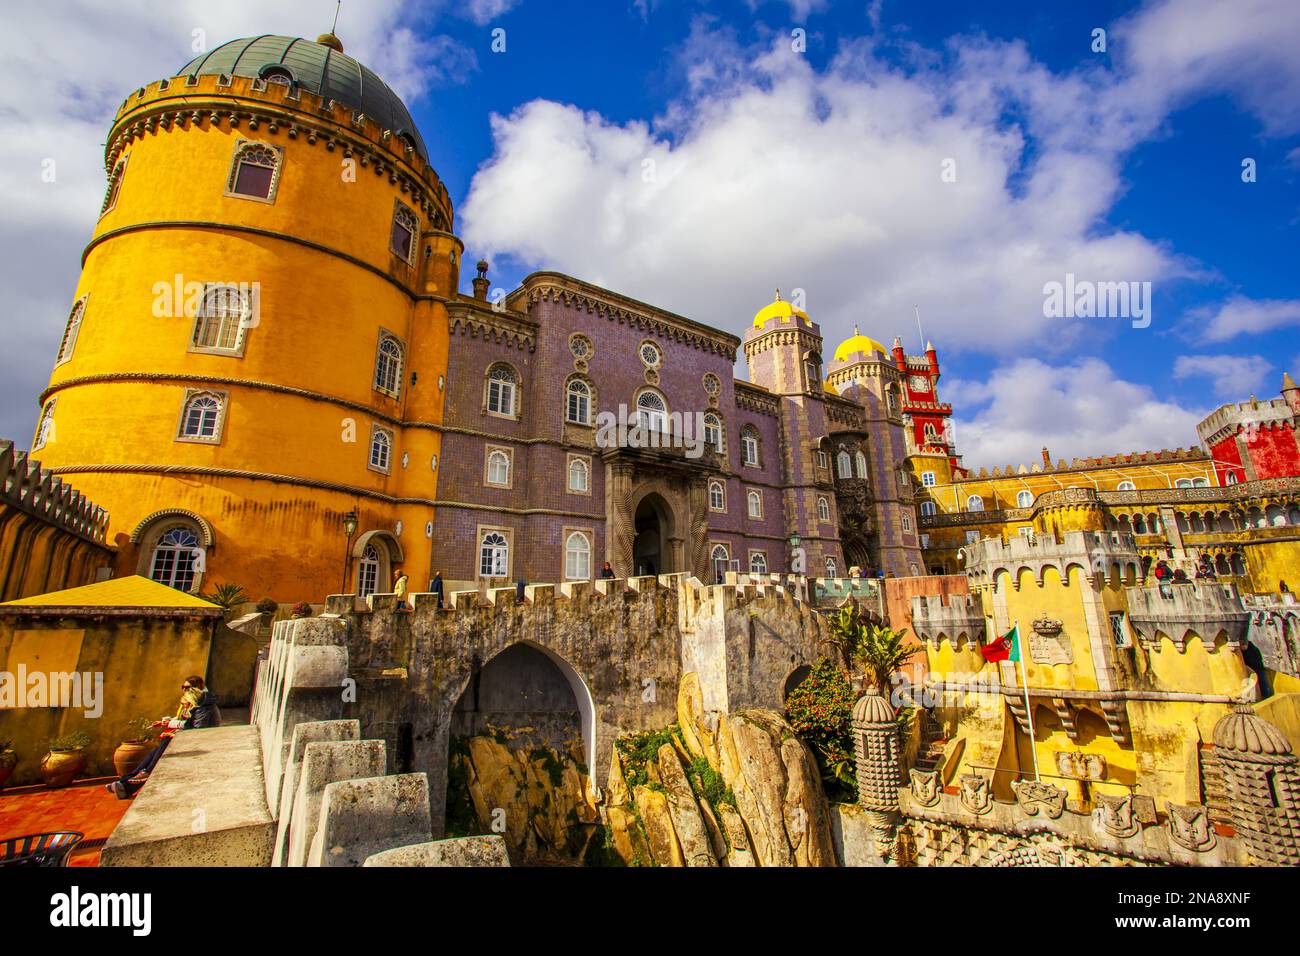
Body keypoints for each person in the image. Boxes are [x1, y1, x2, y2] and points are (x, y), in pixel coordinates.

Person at [107, 676, 221, 799]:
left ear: (196, 689)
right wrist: (169, 723)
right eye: (183, 687)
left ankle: (134, 779)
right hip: (191, 741)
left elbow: (197, 731)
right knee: (156, 750)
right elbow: (187, 722)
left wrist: (171, 726)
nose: (184, 690)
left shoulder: (203, 706)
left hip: (202, 743)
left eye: (187, 688)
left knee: (166, 742)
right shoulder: (197, 703)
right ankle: (126, 784)